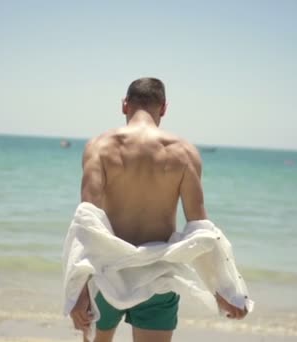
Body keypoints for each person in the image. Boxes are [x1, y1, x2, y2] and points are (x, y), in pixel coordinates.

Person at [69, 77, 247, 342]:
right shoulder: (184, 153)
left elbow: (88, 224)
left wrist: (78, 289)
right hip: (160, 276)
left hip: (106, 276)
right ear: (164, 108)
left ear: (124, 105)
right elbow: (200, 228)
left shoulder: (99, 148)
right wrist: (224, 287)